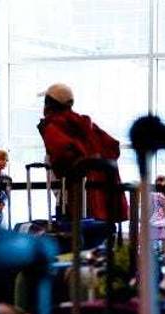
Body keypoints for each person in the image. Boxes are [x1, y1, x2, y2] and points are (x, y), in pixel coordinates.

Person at [37, 82, 128, 222]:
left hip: (73, 199)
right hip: (101, 200)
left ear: (48, 104)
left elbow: (62, 162)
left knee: (73, 239)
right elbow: (112, 147)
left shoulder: (53, 126)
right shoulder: (84, 123)